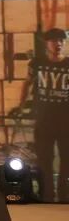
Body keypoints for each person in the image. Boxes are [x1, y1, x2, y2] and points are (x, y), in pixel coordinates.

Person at [21, 28, 69, 202]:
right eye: (54, 41)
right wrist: (20, 106)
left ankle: (64, 194)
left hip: (66, 120)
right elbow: (27, 84)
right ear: (46, 44)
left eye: (61, 41)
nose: (58, 44)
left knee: (67, 159)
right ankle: (47, 193)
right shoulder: (37, 63)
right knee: (44, 159)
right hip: (43, 120)